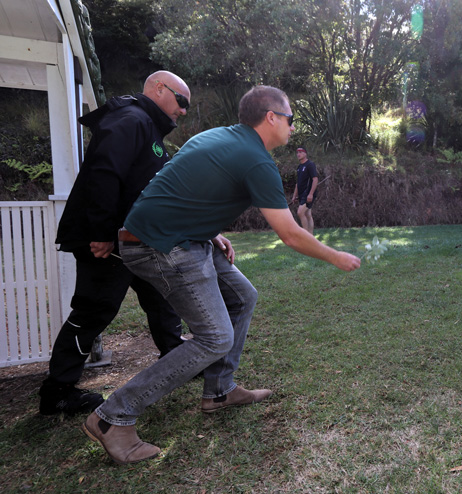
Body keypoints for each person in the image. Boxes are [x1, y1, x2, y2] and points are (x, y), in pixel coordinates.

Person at [81, 85, 361, 465]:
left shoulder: (219, 137)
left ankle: (219, 390)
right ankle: (112, 416)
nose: (293, 128)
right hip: (160, 244)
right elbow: (291, 234)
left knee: (243, 296)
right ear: (272, 118)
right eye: (291, 119)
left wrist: (209, 230)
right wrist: (336, 257)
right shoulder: (256, 160)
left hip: (182, 237)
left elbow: (178, 186)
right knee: (214, 338)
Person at [39, 71, 193, 416]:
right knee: (95, 309)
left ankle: (176, 358)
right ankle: (57, 392)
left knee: (160, 294)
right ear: (158, 89)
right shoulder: (131, 118)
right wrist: (103, 232)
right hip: (107, 240)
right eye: (180, 101)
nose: (183, 111)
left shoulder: (148, 127)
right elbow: (104, 172)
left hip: (133, 240)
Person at [290, 147, 319, 234]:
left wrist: (310, 194)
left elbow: (315, 179)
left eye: (301, 152)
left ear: (305, 154)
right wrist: (294, 196)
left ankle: (306, 235)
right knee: (307, 214)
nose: (298, 154)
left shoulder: (310, 164)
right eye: (297, 152)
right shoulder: (299, 167)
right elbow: (297, 183)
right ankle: (311, 236)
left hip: (309, 193)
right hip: (302, 194)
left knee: (300, 212)